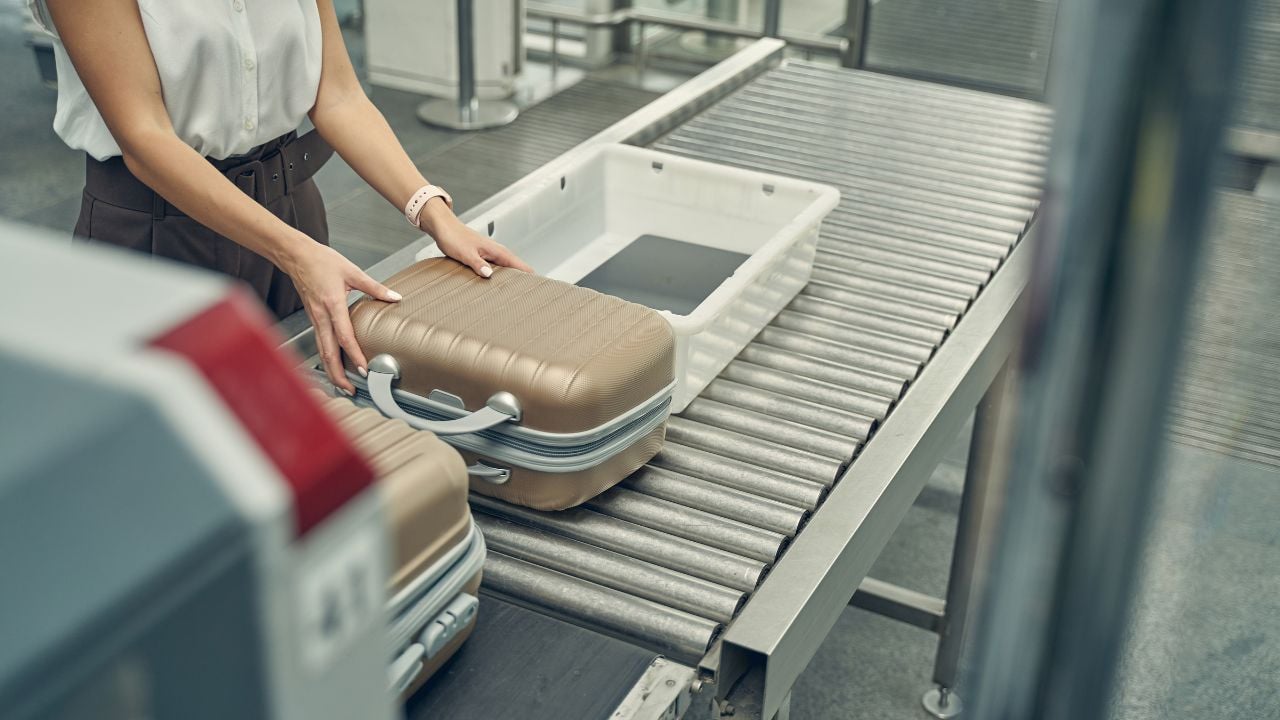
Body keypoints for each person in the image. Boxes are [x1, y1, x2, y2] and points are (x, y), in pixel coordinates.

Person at [31, 0, 532, 394]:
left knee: (295, 436)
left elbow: (337, 96)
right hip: (158, 234)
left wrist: (434, 213)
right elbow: (145, 138)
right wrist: (296, 252)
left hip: (293, 212)